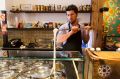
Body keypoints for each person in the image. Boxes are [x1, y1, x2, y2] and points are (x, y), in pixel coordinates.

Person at [56, 4, 91, 79]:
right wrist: (71, 32)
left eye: (72, 14)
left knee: (74, 73)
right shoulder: (64, 27)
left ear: (76, 14)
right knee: (70, 75)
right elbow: (59, 40)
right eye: (68, 15)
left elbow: (85, 41)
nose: (70, 17)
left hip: (77, 55)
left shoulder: (81, 27)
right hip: (66, 56)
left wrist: (87, 32)